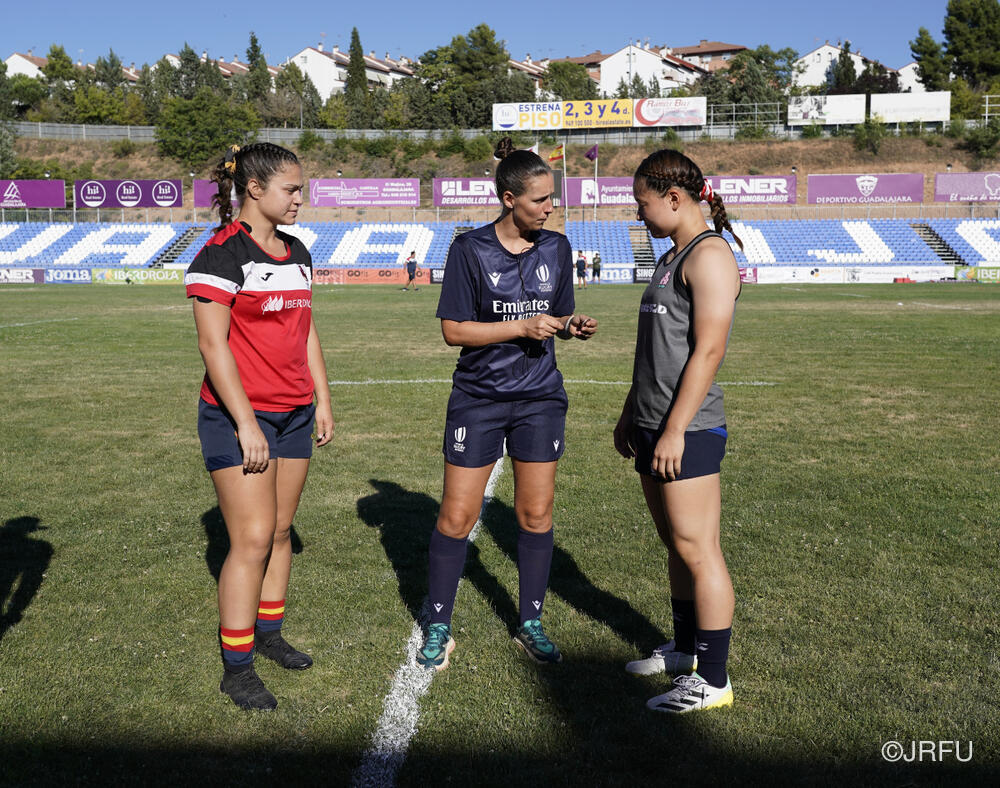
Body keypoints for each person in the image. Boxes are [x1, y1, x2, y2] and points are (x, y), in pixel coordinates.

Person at [418, 137, 597, 671]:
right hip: (479, 398)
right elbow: (453, 331)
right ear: (507, 199)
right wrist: (519, 326)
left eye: (552, 200)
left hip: (540, 397)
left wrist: (570, 326)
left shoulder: (557, 249)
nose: (551, 208)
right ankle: (439, 622)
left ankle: (531, 622)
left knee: (535, 513)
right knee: (456, 515)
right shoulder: (469, 249)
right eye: (541, 200)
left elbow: (557, 315)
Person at [184, 142, 334, 711]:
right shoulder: (222, 254)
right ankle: (237, 667)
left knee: (280, 531)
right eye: (291, 189)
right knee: (249, 539)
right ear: (254, 189)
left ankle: (269, 636)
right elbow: (211, 344)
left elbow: (306, 329)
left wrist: (321, 397)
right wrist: (246, 423)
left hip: (295, 413)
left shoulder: (297, 251)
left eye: (301, 188)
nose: (301, 198)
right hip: (236, 417)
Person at [613, 148, 743, 714]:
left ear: (674, 197)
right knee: (675, 545)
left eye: (642, 203)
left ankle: (712, 679)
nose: (637, 214)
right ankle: (686, 649)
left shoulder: (710, 255)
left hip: (685, 431)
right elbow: (656, 354)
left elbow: (709, 350)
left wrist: (675, 430)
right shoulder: (672, 256)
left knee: (699, 549)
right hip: (651, 424)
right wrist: (630, 414)